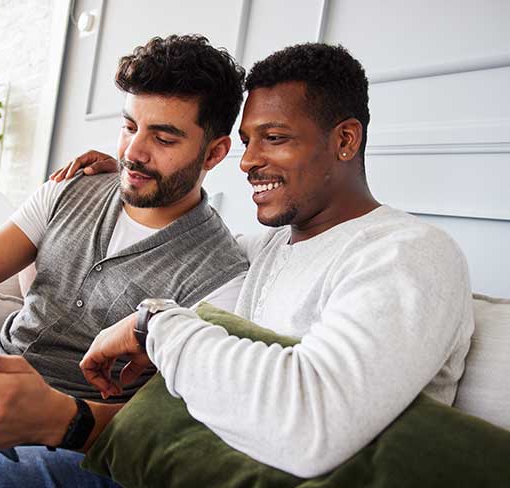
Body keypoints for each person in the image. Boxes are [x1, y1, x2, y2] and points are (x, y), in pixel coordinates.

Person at [0, 34, 247, 486]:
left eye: (163, 138)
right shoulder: (74, 188)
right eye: (128, 126)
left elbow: (167, 420)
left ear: (215, 152)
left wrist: (60, 416)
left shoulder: (220, 277)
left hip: (56, 433)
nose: (132, 152)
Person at [74, 43, 474, 478]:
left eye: (275, 138)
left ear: (345, 140)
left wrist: (152, 325)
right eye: (247, 141)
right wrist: (129, 174)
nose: (248, 161)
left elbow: (313, 425)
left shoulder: (407, 252)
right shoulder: (261, 249)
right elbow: (182, 236)